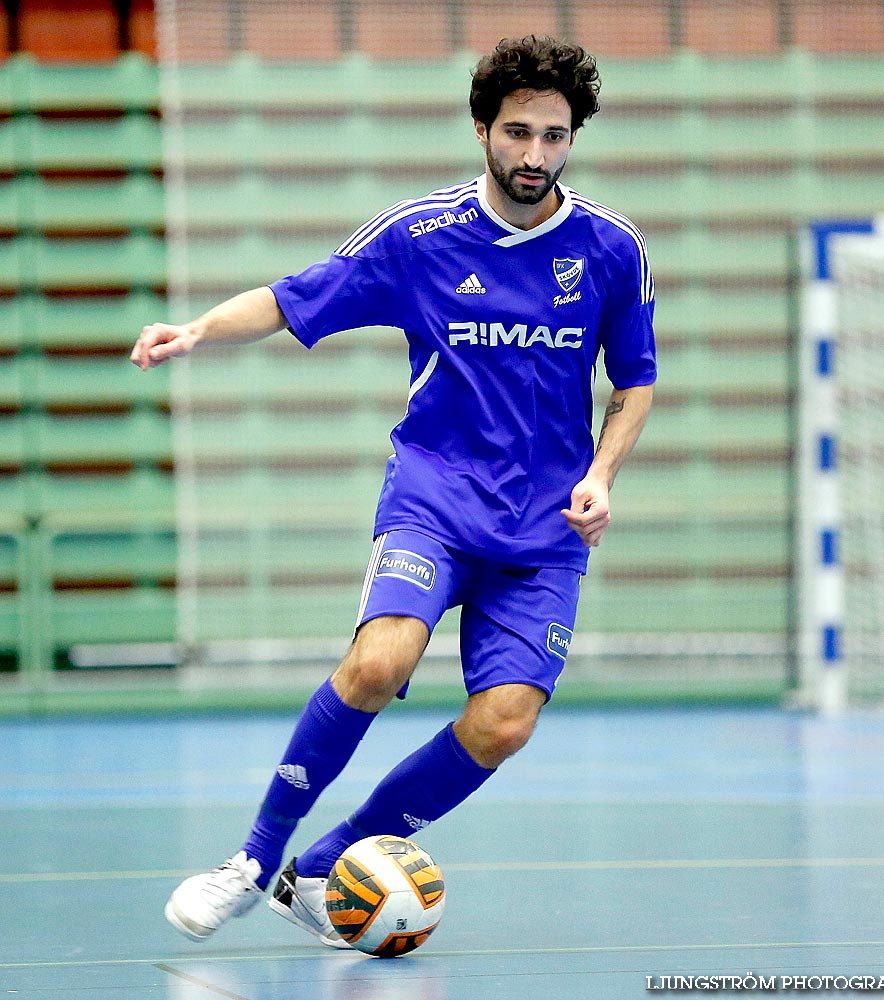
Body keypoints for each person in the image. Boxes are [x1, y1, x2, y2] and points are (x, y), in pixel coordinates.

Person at [131, 35, 656, 948]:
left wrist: (602, 475)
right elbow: (294, 297)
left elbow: (636, 379)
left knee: (504, 723)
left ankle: (328, 861)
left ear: (574, 139)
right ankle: (252, 862)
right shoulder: (419, 235)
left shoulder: (611, 248)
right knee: (379, 662)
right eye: (518, 133)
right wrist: (198, 329)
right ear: (483, 129)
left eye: (555, 137)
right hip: (435, 500)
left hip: (545, 529)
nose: (535, 155)